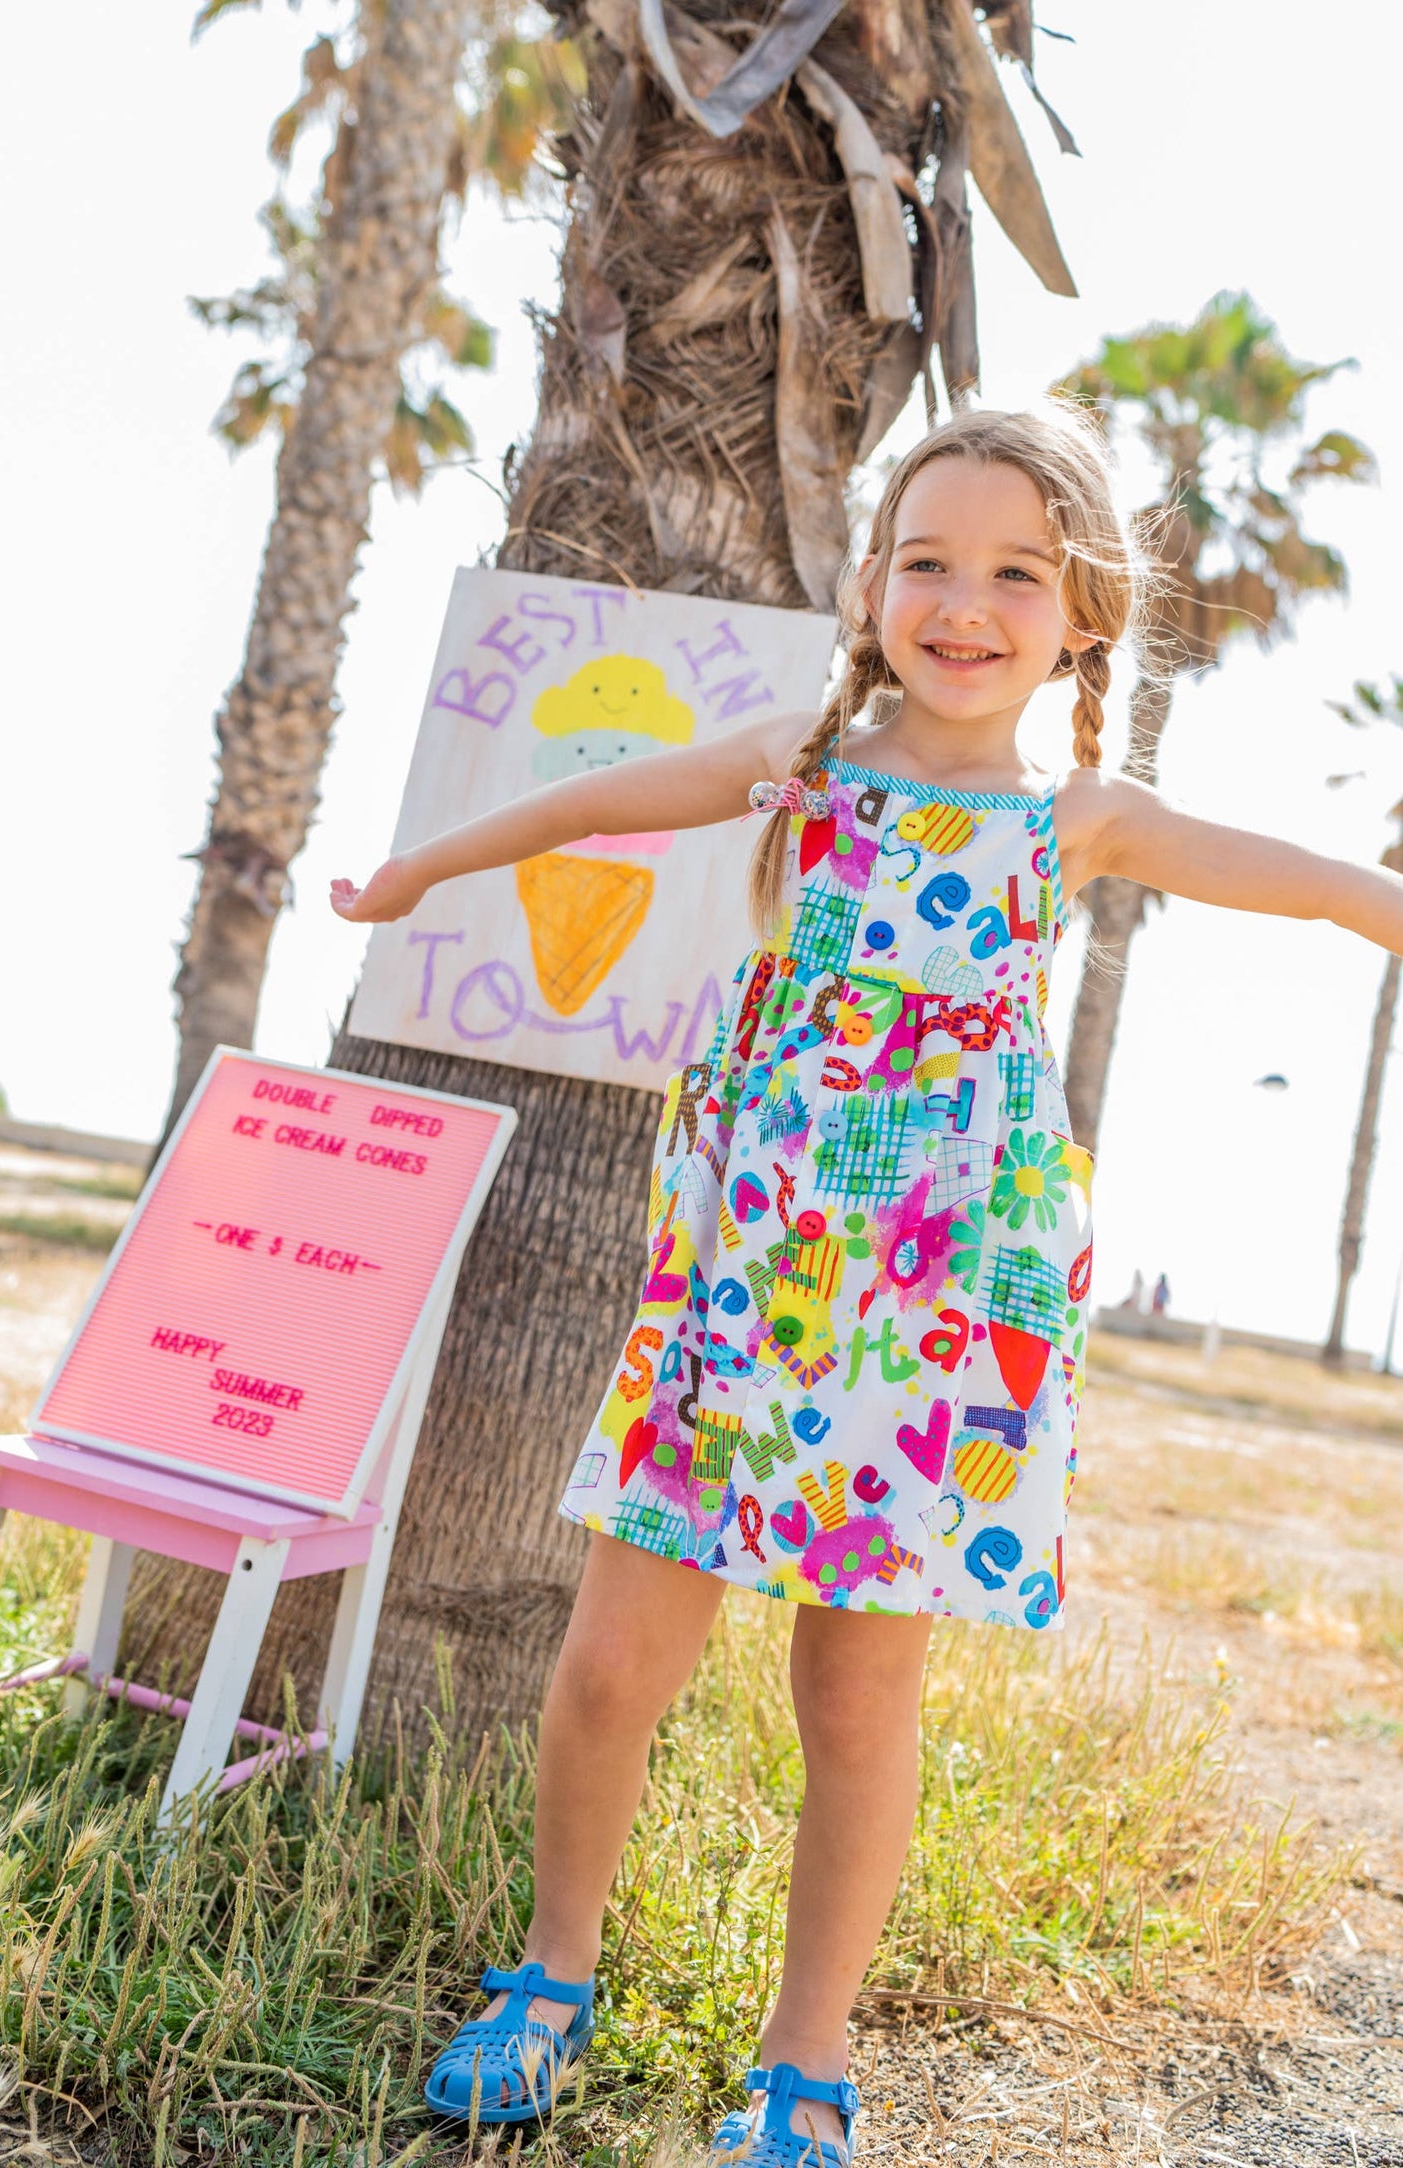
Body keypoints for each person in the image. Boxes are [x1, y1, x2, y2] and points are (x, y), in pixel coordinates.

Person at [330, 405, 1403, 2165]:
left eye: (1012, 573)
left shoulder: (1080, 818)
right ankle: (550, 1977)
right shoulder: (809, 770)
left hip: (932, 1336)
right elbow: (602, 795)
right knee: (608, 1670)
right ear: (868, 587)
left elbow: (1311, 885)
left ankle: (801, 2066)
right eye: (925, 561)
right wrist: (419, 872)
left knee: (854, 1698)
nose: (962, 603)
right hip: (739, 1297)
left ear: (1081, 621)